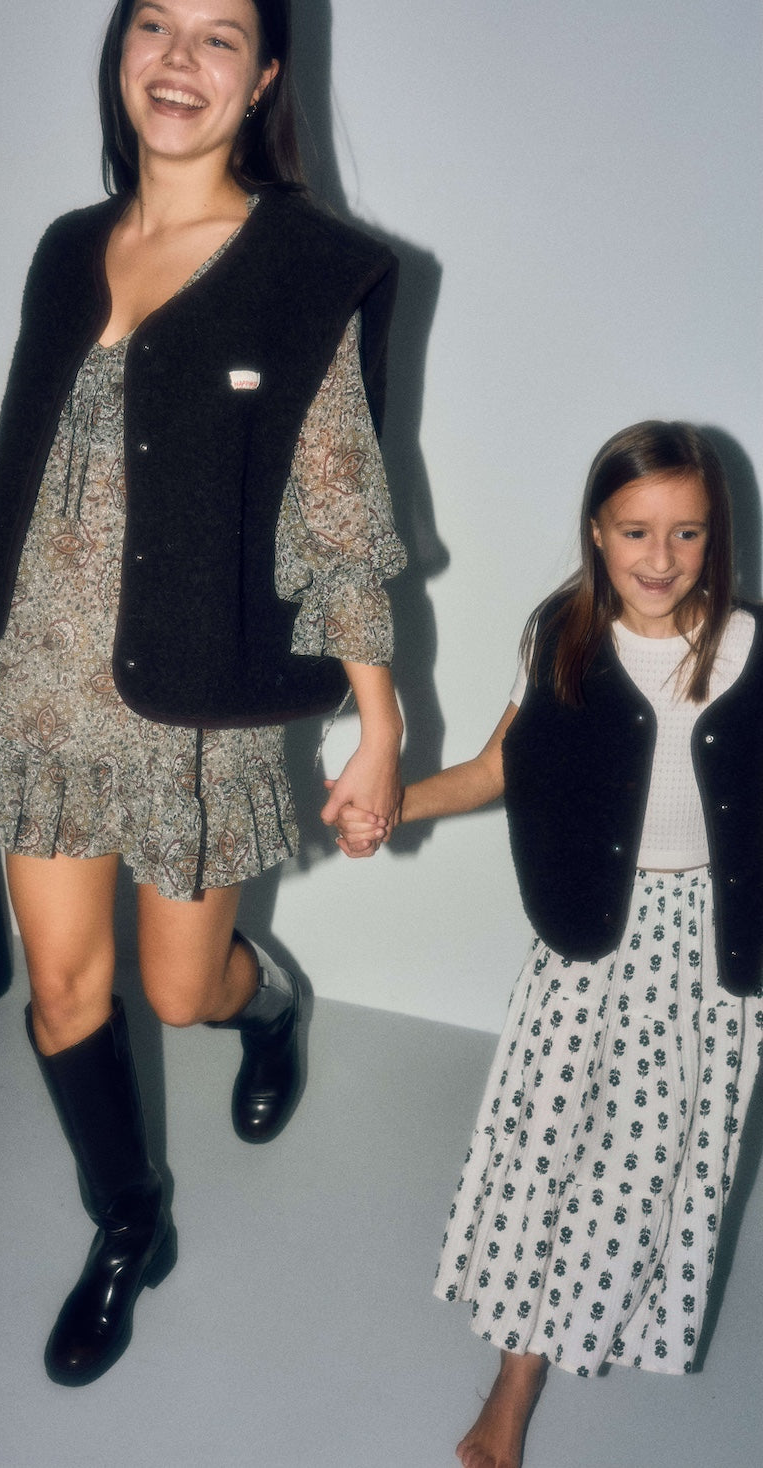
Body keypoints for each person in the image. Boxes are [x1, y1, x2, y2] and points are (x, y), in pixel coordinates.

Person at [0, 0, 406, 1389]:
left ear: (267, 78)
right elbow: (17, 466)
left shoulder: (303, 271)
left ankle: (267, 1000)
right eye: (154, 25)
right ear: (121, 51)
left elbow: (336, 515)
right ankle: (129, 1223)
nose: (180, 59)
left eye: (219, 37)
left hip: (193, 700)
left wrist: (381, 718)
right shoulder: (66, 249)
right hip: (41, 675)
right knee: (60, 989)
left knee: (179, 992)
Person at [335, 421, 763, 1468]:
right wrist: (392, 806)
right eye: (634, 532)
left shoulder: (753, 649)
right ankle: (515, 1377)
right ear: (595, 531)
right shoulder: (560, 638)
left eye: (688, 534)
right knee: (545, 1153)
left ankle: (565, 1339)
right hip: (587, 948)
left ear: (718, 540)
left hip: (708, 956)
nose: (659, 560)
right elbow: (496, 768)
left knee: (640, 1168)